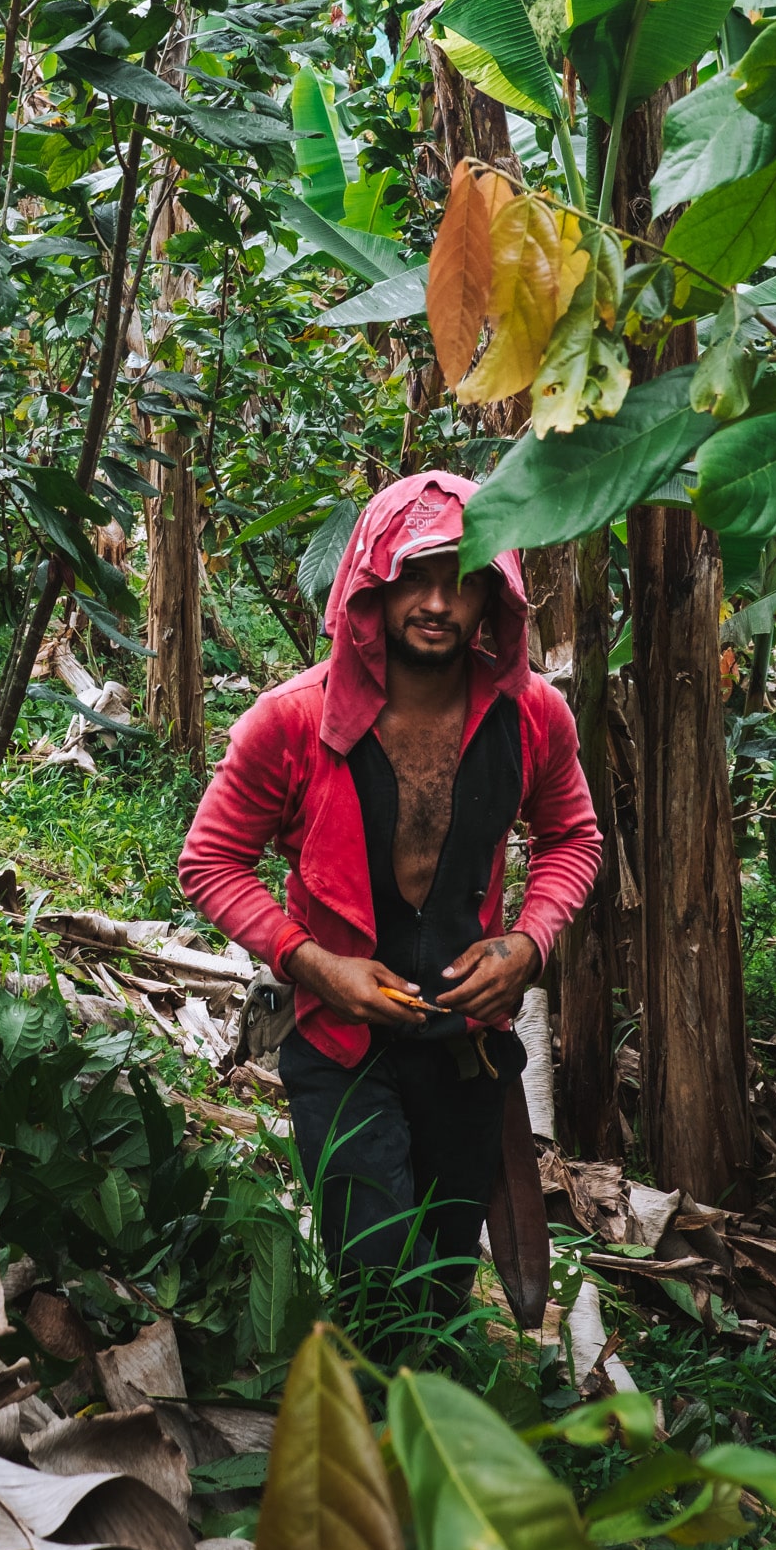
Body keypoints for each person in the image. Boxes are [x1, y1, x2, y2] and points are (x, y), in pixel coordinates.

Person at [178, 472, 600, 1340]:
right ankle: (372, 1432)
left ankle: (426, 1427)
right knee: (374, 1271)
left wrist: (528, 942)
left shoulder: (533, 720)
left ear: (496, 596)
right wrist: (311, 963)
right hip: (338, 1048)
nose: (439, 602)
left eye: (466, 577)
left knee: (444, 1280)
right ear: (373, 581)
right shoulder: (288, 722)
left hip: (467, 1050)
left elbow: (574, 838)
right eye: (418, 575)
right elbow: (210, 861)